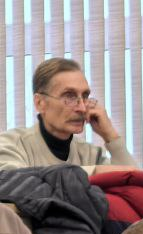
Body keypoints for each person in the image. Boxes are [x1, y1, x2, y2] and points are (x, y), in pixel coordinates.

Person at [0, 58, 135, 173]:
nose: (82, 108)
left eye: (85, 96)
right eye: (69, 96)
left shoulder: (90, 154)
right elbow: (16, 184)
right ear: (40, 103)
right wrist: (94, 172)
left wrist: (110, 136)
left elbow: (137, 186)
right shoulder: (12, 144)